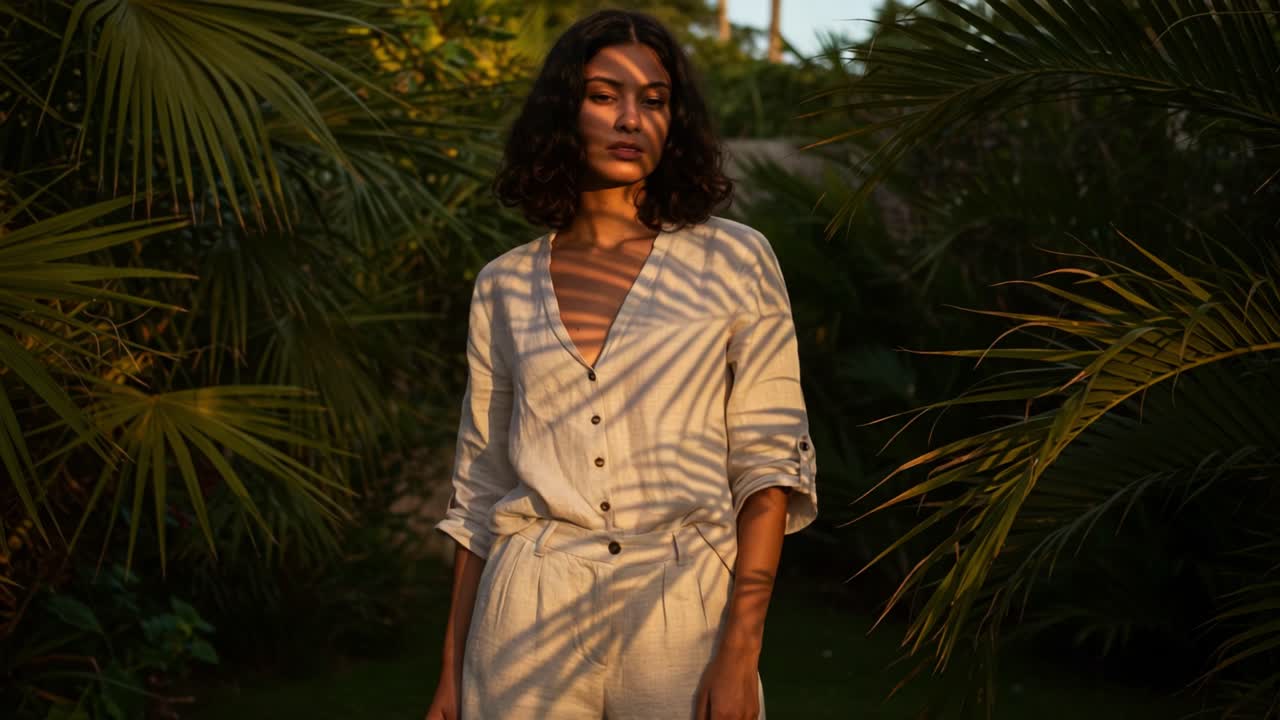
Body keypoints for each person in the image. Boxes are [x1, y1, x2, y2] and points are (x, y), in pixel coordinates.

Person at [425, 9, 817, 720]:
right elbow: (479, 491)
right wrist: (451, 676)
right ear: (564, 112)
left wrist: (740, 651)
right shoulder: (504, 285)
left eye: (654, 100)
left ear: (675, 121)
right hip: (524, 615)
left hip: (683, 613)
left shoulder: (734, 260)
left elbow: (769, 464)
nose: (631, 119)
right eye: (604, 96)